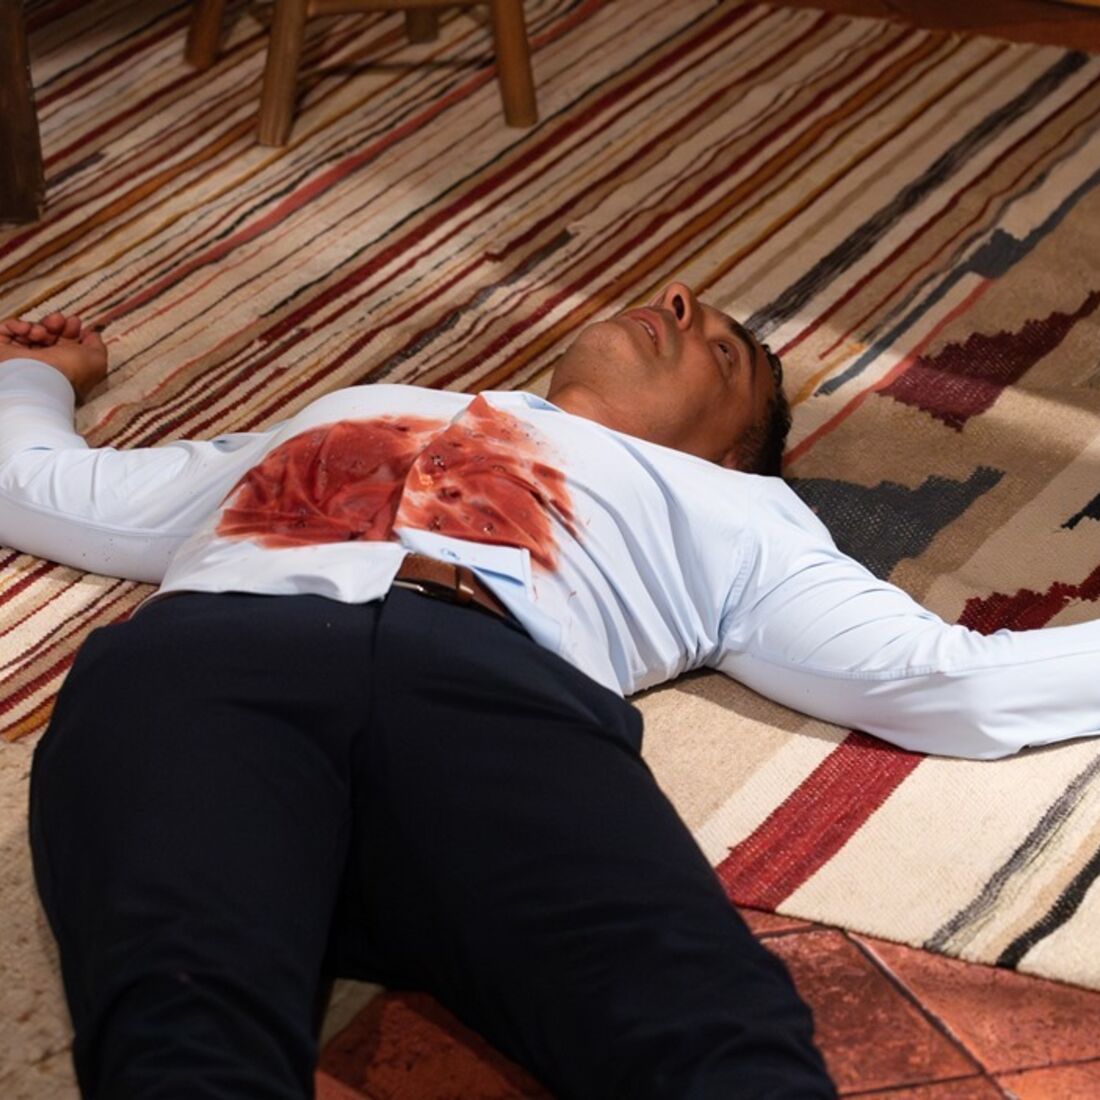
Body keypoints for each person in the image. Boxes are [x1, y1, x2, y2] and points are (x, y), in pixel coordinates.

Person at [1, 283, 1096, 1100]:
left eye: (721, 351)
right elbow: (48, 490)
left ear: (734, 450)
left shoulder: (742, 515)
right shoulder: (364, 405)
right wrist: (34, 377)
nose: (678, 299)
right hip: (216, 659)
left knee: (710, 1027)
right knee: (180, 1024)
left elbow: (941, 680)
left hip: (488, 693)